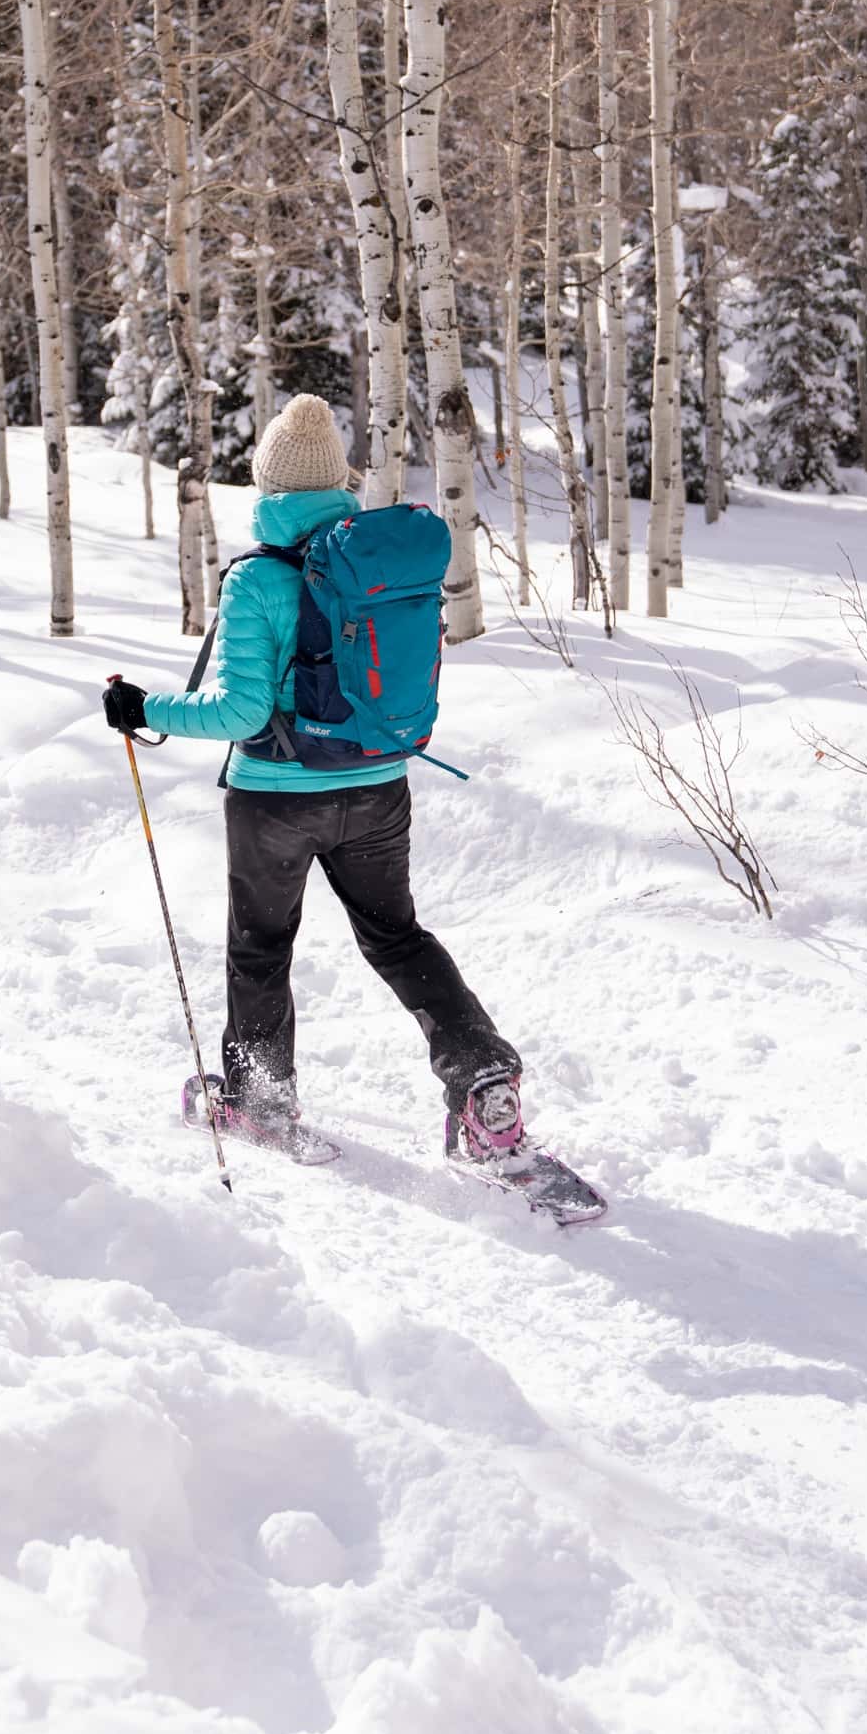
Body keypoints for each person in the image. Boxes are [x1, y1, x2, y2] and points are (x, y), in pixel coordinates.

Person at [101, 394, 600, 1217]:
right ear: (338, 483)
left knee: (261, 948)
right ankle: (484, 1094)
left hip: (274, 802)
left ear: (265, 484)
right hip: (376, 787)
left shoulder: (258, 577)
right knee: (399, 938)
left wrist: (145, 710)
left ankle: (261, 1101)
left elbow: (241, 715)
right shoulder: (376, 558)